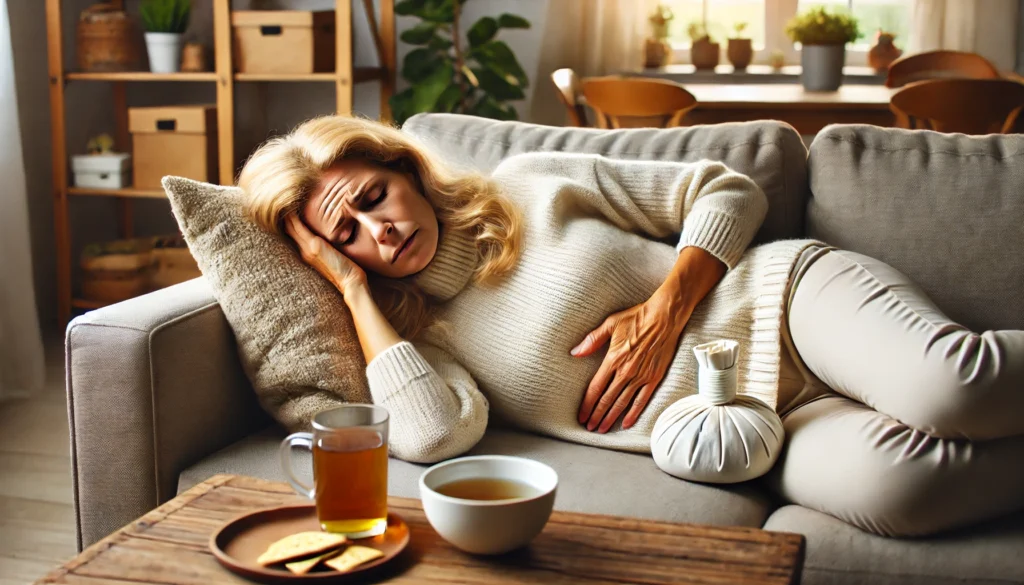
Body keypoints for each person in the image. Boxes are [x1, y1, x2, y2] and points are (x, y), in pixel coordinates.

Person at [237, 115, 1024, 538]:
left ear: (403, 170)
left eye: (375, 197)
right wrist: (352, 292)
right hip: (764, 429)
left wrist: (666, 306)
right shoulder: (425, 339)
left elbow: (726, 190)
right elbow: (429, 435)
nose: (379, 233)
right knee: (908, 491)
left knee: (952, 386)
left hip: (787, 301)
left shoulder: (528, 184)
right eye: (347, 236)